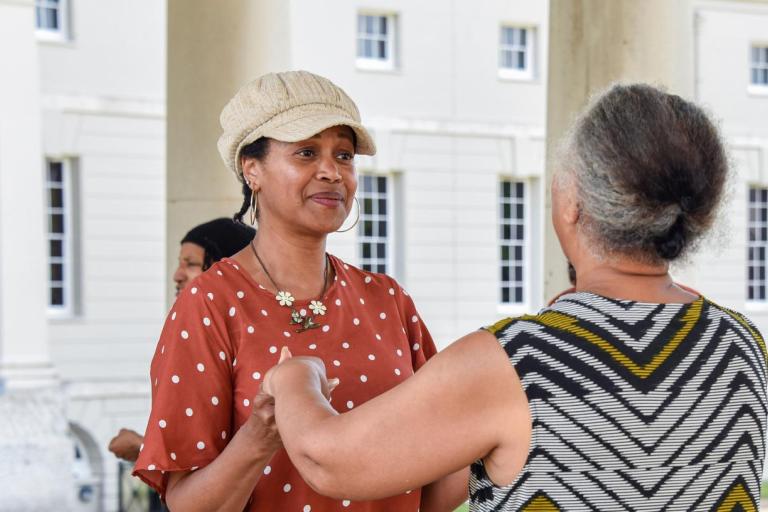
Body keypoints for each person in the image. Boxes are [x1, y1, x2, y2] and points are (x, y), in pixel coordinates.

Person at [263, 84, 768, 510]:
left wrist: (295, 381)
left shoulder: (518, 360)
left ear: (573, 202)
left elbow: (328, 460)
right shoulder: (745, 346)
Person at [133, 71, 466, 512]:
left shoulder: (388, 300)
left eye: (344, 156)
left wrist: (503, 415)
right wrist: (260, 436)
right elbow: (188, 505)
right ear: (252, 170)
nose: (331, 172)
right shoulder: (210, 303)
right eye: (306, 153)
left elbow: (434, 487)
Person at [108, 218, 256, 462]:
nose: (177, 275)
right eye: (179, 264)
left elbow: (210, 453)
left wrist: (141, 448)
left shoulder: (239, 338)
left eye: (191, 264)